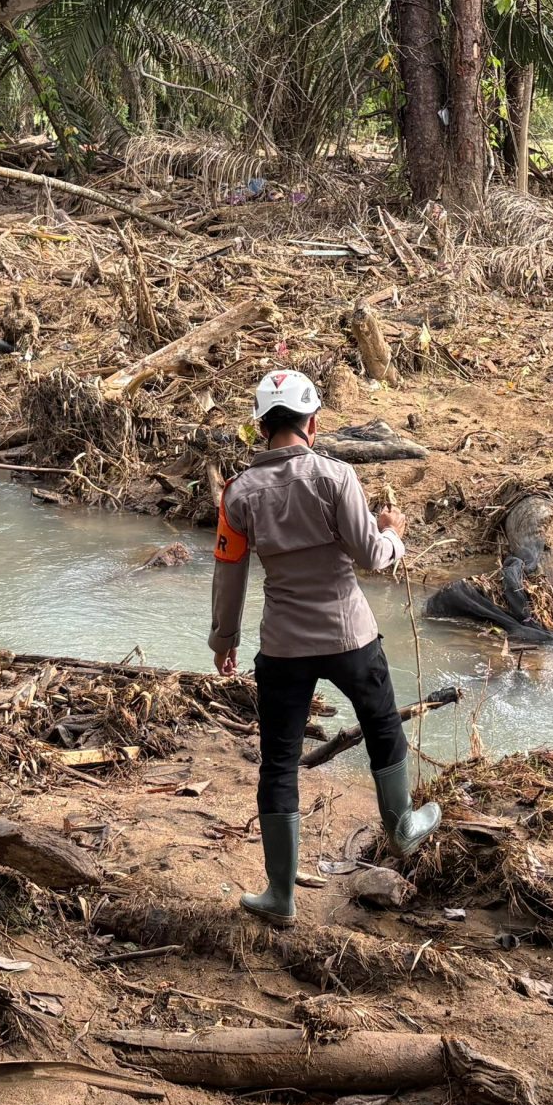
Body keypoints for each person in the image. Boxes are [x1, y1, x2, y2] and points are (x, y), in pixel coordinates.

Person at [209, 370, 440, 927]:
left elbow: (228, 572)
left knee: (279, 761)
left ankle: (281, 896)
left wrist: (224, 640)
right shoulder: (337, 477)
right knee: (382, 723)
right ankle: (403, 827)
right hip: (349, 635)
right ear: (313, 422)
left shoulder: (238, 494)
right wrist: (393, 532)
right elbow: (371, 556)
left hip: (283, 644)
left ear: (262, 427)